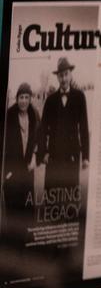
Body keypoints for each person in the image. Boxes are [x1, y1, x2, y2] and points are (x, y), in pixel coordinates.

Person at [40, 59, 89, 192]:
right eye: (61, 75)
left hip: (72, 155)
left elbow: (84, 127)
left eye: (66, 74)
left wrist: (85, 156)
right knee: (52, 194)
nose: (64, 79)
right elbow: (43, 129)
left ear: (71, 74)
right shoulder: (50, 100)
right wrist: (43, 152)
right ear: (57, 77)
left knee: (70, 194)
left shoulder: (80, 97)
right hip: (54, 155)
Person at [2, 83, 42, 232]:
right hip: (12, 170)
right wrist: (7, 172)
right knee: (13, 206)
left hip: (28, 169)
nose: (24, 101)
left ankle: (27, 237)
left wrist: (35, 157)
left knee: (27, 207)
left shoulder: (34, 115)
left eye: (26, 97)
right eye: (21, 97)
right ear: (17, 98)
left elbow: (39, 139)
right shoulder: (9, 115)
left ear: (30, 98)